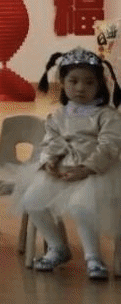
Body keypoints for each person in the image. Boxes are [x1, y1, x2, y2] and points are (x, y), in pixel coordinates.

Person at [12, 48, 121, 281]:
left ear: (100, 85)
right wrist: (50, 161)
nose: (81, 88)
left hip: (96, 172)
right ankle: (57, 247)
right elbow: (52, 141)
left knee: (82, 206)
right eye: (74, 81)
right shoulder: (60, 115)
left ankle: (93, 257)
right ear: (62, 82)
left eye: (89, 82)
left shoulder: (107, 115)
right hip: (64, 170)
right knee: (32, 201)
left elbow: (110, 146)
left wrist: (86, 169)